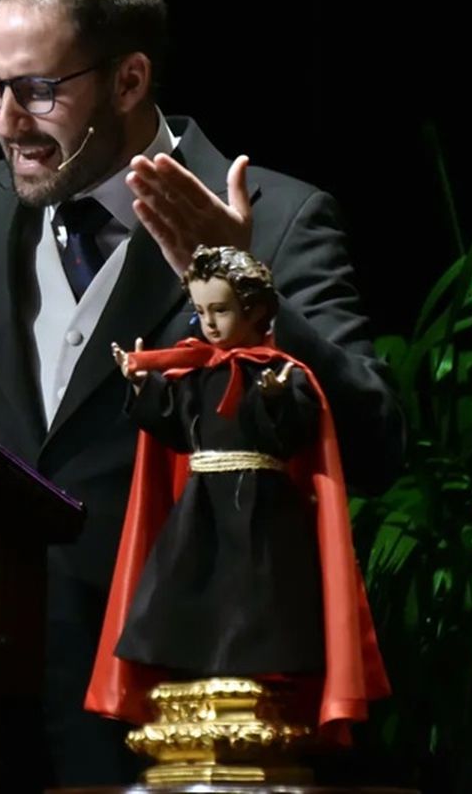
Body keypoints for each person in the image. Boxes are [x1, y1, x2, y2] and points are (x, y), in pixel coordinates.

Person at [0, 0, 404, 787]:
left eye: (40, 90)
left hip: (178, 698)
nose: (8, 121)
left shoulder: (276, 221)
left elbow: (376, 439)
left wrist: (241, 285)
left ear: (129, 81)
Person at [85, 245, 390, 746]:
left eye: (220, 311)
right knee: (190, 590)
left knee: (255, 598)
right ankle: (196, 678)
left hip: (261, 509)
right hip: (201, 507)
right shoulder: (197, 374)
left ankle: (257, 684)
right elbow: (173, 426)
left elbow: (292, 434)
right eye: (201, 312)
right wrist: (142, 388)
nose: (208, 323)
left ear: (256, 311)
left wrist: (272, 397)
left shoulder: (283, 374)